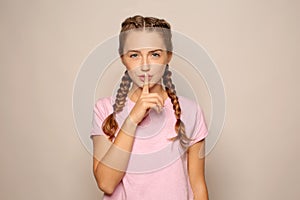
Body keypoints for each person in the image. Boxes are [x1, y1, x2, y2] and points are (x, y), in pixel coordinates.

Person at [90, 15, 209, 200]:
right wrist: (132, 120)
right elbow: (106, 183)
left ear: (168, 55)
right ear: (123, 58)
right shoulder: (104, 109)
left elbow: (198, 186)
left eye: (155, 54)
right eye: (134, 55)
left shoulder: (191, 111)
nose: (145, 66)